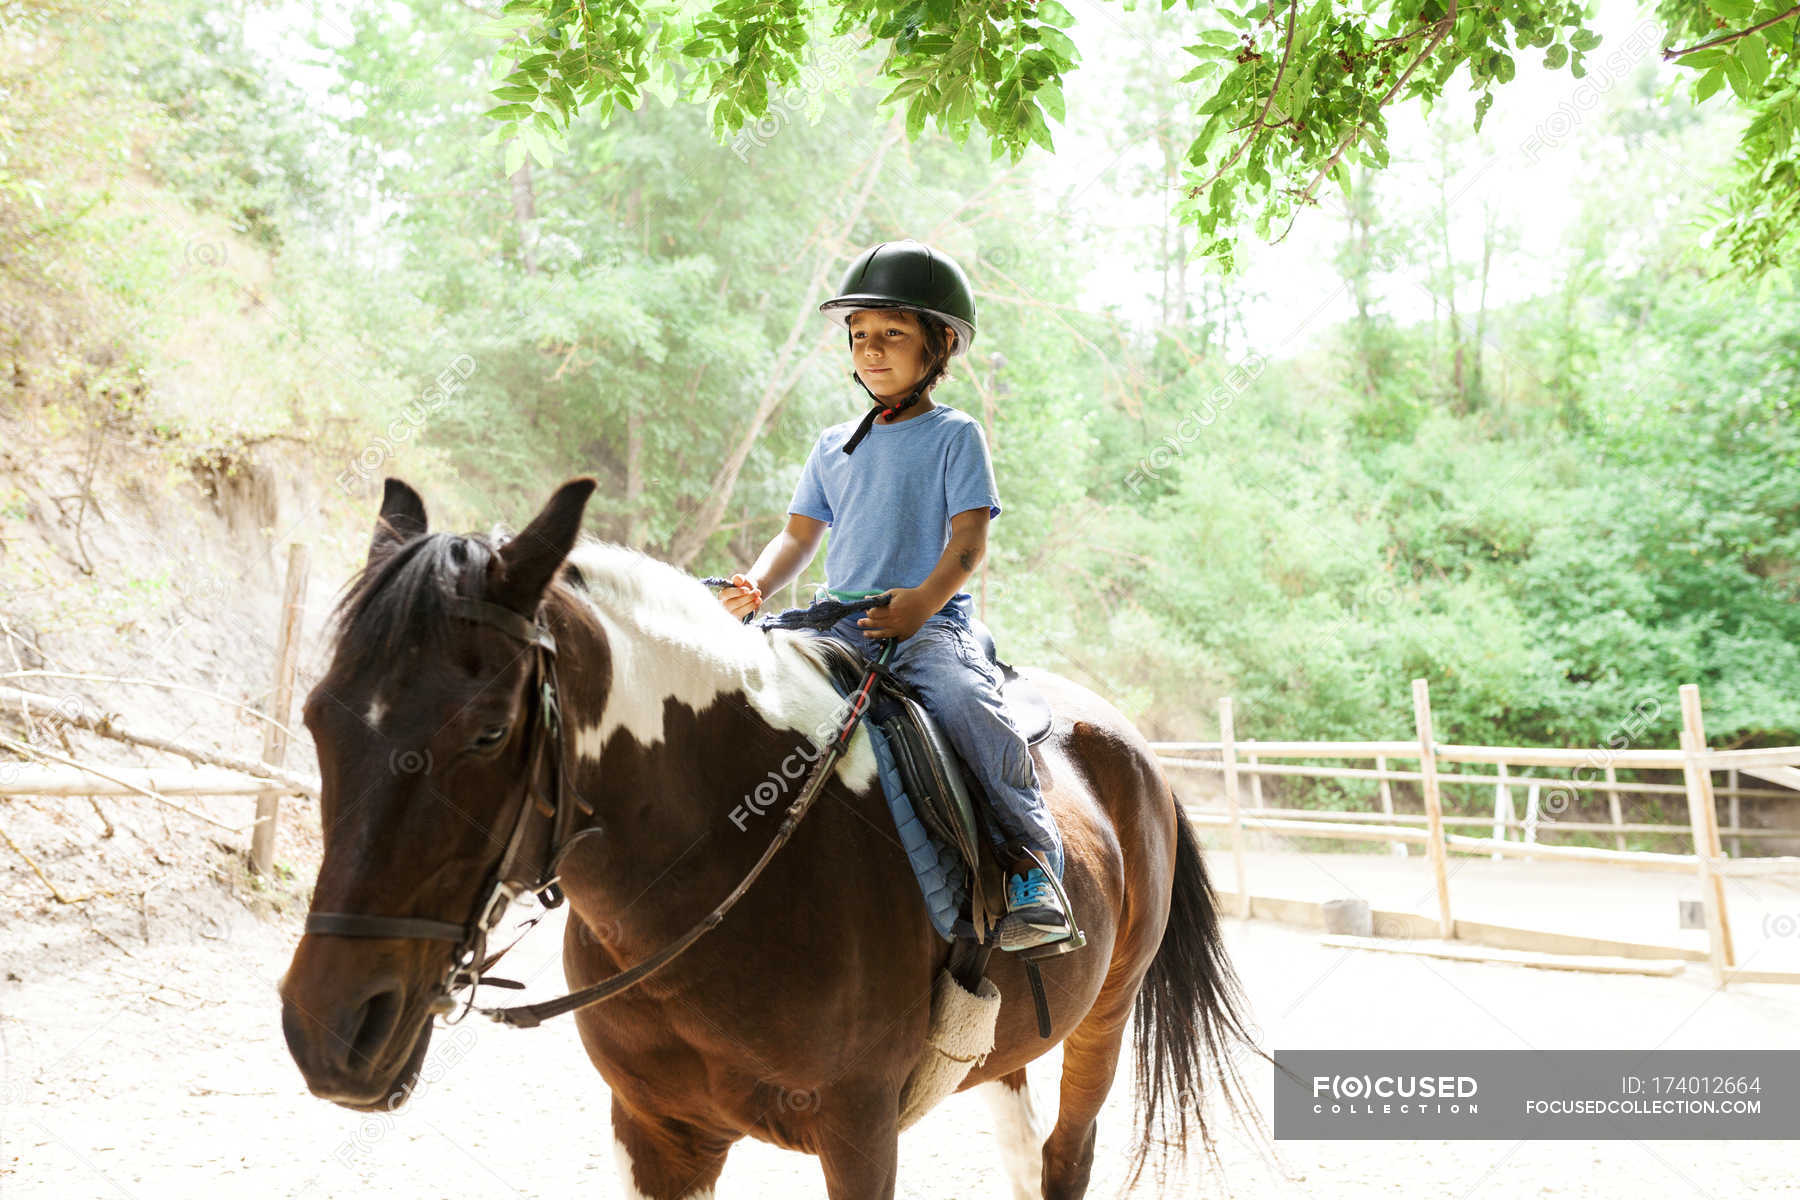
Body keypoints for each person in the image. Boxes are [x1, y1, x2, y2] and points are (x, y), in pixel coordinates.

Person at [717, 238, 1070, 951]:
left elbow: (968, 543)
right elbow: (797, 536)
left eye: (891, 336)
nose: (870, 350)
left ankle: (1034, 866)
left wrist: (920, 605)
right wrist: (757, 581)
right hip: (835, 619)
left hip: (927, 624)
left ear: (938, 346)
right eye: (859, 337)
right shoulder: (831, 445)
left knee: (969, 707)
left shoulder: (954, 435)